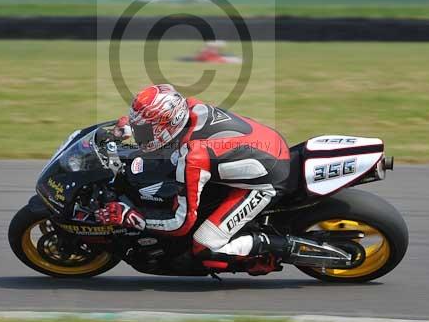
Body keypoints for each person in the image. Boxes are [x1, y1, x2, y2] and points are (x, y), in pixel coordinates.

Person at [95, 83, 294, 270]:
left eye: (143, 130)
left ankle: (275, 248)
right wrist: (127, 129)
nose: (140, 135)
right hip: (262, 145)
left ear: (167, 125)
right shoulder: (187, 108)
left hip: (267, 178)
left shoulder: (192, 158)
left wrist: (132, 217)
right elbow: (158, 122)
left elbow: (181, 223)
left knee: (205, 245)